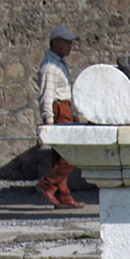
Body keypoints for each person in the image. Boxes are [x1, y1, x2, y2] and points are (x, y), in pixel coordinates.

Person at [36, 25, 85, 208]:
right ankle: (47, 184)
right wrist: (48, 118)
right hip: (58, 110)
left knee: (60, 156)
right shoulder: (50, 66)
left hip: (65, 109)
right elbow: (47, 93)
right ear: (55, 42)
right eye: (65, 42)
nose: (69, 46)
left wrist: (72, 113)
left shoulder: (59, 63)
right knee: (71, 153)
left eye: (70, 43)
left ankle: (63, 195)